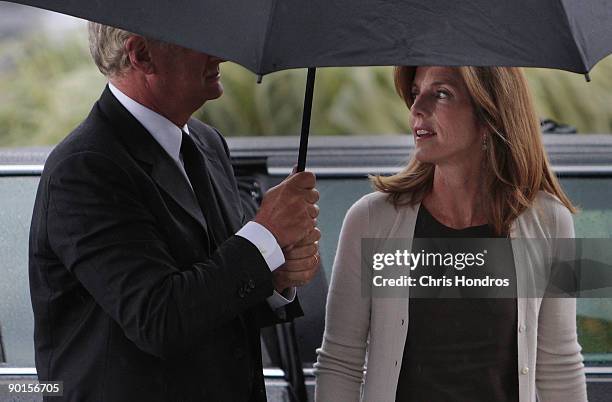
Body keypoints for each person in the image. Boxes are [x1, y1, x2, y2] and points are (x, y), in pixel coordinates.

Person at [29, 23, 321, 401]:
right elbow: (158, 319)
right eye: (201, 39)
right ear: (141, 55)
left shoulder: (207, 143)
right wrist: (264, 237)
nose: (222, 54)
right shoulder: (85, 167)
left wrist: (274, 276)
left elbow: (216, 293)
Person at [314, 66, 587, 402]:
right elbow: (340, 363)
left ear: (490, 113)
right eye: (416, 93)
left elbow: (559, 364)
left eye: (441, 93)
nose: (416, 109)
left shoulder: (551, 222)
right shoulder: (371, 220)